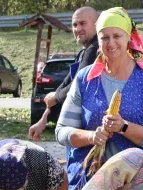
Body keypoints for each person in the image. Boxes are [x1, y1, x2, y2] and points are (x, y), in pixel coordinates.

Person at [56, 7, 143, 190]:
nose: (110, 43)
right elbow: (62, 131)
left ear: (129, 37)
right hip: (90, 184)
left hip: (136, 187)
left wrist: (124, 127)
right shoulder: (85, 78)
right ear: (98, 40)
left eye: (117, 35)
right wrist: (92, 137)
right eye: (104, 37)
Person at [28, 6, 99, 140]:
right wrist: (45, 118)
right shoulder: (85, 50)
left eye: (83, 23)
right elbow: (67, 83)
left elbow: (78, 85)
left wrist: (56, 97)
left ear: (96, 24)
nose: (77, 29)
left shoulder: (95, 49)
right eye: (74, 25)